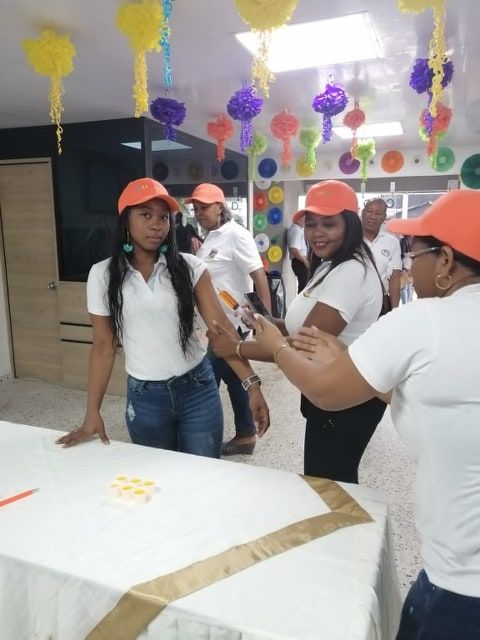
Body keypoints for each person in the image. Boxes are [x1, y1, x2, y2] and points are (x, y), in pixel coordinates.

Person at [251, 189, 480, 640]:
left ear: (447, 261)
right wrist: (351, 357)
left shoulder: (423, 319)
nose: (408, 267)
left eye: (415, 255)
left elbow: (325, 391)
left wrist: (273, 347)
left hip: (461, 580)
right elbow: (441, 398)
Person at [56, 178, 269, 456]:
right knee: (157, 476)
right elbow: (103, 347)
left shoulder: (191, 267)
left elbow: (223, 331)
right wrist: (92, 412)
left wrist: (252, 385)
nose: (157, 225)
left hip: (197, 391)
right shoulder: (102, 275)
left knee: (202, 473)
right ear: (125, 221)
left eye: (163, 217)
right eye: (146, 215)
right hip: (145, 398)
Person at [210, 180, 386, 482]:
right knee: (323, 479)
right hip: (327, 391)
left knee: (331, 485)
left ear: (350, 225)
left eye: (328, 224)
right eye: (311, 224)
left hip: (346, 398)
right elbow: (300, 326)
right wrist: (266, 322)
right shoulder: (331, 264)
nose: (317, 233)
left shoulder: (352, 271)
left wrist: (235, 348)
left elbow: (301, 345)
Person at [185, 183, 271, 456]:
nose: (199, 213)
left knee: (204, 386)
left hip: (231, 326)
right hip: (213, 324)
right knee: (236, 379)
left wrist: (265, 322)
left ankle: (201, 443)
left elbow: (258, 274)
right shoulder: (210, 238)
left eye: (204, 207)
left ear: (220, 208)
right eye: (196, 208)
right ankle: (245, 436)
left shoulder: (236, 234)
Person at [362, 198, 402, 308]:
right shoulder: (350, 239)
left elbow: (395, 278)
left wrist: (394, 310)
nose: (373, 216)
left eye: (378, 213)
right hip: (352, 301)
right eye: (369, 211)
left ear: (384, 217)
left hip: (380, 303)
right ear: (363, 213)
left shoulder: (392, 242)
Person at [287, 220, 309, 292]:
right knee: (304, 287)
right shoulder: (296, 230)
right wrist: (305, 261)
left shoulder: (298, 229)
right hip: (299, 261)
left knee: (305, 286)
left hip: (300, 261)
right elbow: (294, 249)